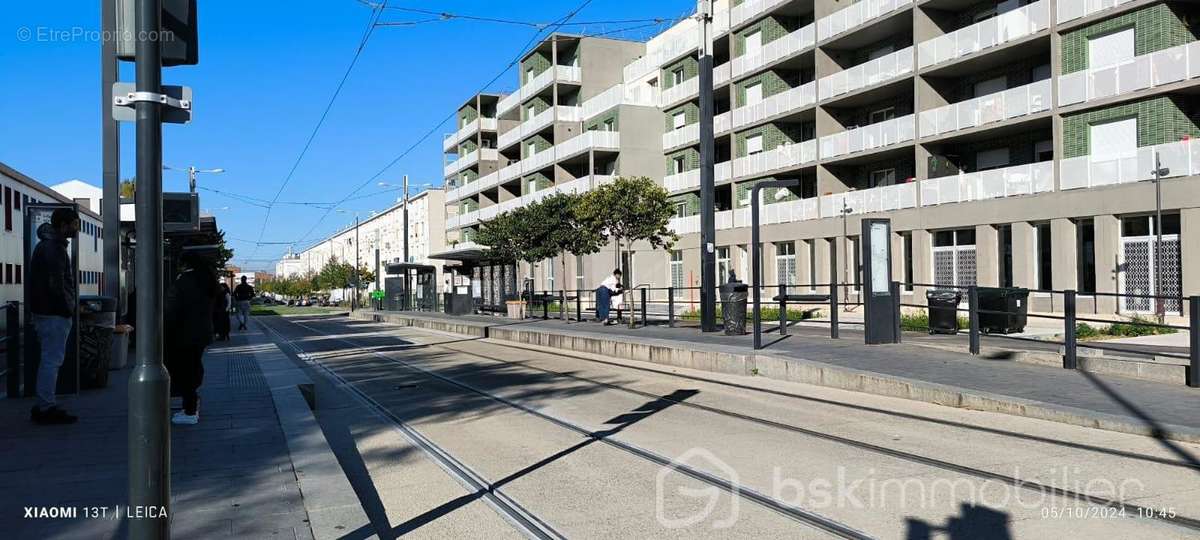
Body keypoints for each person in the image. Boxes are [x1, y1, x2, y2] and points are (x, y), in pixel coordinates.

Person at [27, 209, 82, 425]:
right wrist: (68, 307)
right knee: (52, 360)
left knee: (49, 358)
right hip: (53, 313)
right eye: (75, 224)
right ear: (63, 225)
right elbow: (56, 284)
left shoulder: (48, 246)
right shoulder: (53, 249)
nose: (77, 228)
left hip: (47, 311)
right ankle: (46, 406)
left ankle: (44, 403)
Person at [166, 253, 218, 425]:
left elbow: (172, 306)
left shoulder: (185, 280)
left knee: (184, 370)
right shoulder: (207, 279)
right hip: (202, 332)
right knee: (193, 366)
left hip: (183, 332)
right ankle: (191, 405)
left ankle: (189, 410)